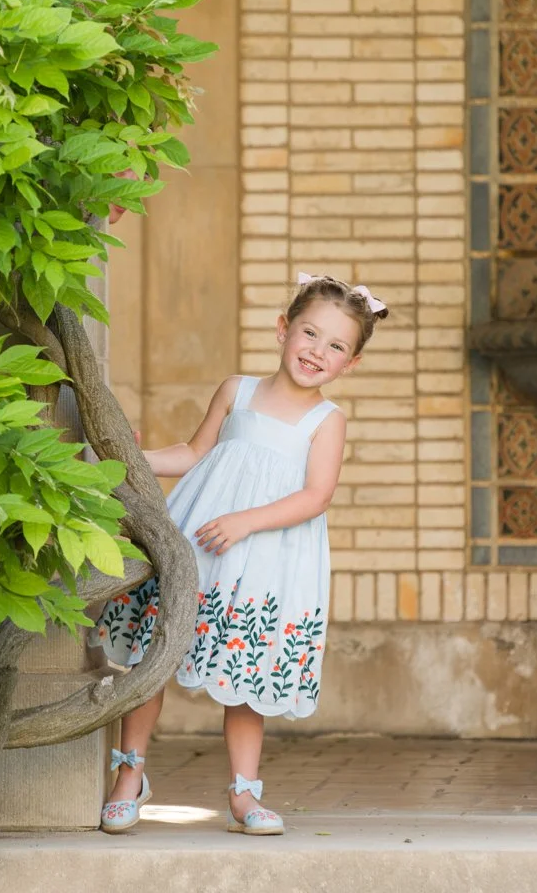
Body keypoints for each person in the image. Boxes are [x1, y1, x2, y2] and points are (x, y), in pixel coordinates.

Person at [92, 273, 389, 836]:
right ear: (283, 330)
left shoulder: (327, 421)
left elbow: (314, 496)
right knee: (152, 658)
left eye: (336, 346)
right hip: (199, 547)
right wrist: (124, 455)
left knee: (245, 680)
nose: (317, 351)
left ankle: (244, 793)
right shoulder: (237, 391)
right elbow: (193, 452)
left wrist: (245, 521)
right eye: (310, 333)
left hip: (265, 557)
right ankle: (129, 775)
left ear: (349, 364)